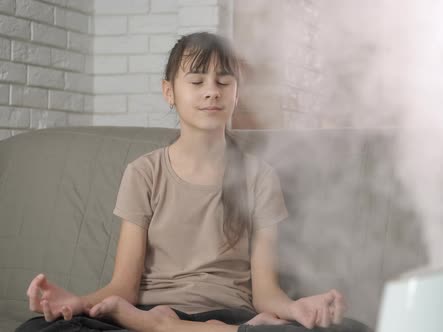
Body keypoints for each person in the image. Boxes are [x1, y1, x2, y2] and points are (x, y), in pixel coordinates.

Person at [17, 32, 370, 332]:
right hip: (147, 311)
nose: (211, 91)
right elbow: (121, 288)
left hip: (231, 314)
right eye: (197, 81)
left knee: (354, 329)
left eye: (224, 81)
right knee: (36, 329)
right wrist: (76, 303)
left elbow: (266, 294)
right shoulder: (144, 172)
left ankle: (181, 329)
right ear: (169, 92)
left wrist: (298, 309)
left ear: (237, 91)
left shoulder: (259, 177)